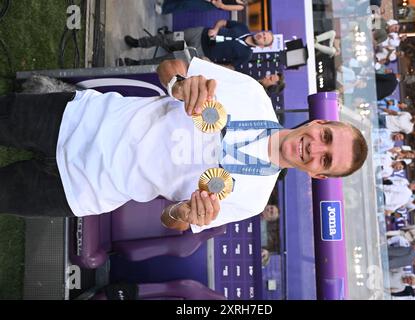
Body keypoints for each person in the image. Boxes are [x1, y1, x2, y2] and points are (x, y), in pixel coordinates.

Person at [0, 58, 368, 234]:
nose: (315, 148)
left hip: (82, 190)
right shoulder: (252, 94)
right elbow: (171, 65)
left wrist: (185, 215)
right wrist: (178, 82)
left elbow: (168, 221)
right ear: (319, 123)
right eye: (327, 137)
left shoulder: (254, 200)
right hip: (82, 119)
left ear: (318, 173)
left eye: (326, 159)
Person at [123, 19, 274, 69]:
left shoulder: (246, 55)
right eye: (264, 33)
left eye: (265, 38)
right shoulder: (243, 28)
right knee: (167, 38)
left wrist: (209, 64)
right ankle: (137, 43)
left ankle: (137, 64)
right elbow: (223, 22)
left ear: (262, 46)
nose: (262, 35)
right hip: (198, 34)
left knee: (167, 60)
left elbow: (230, 67)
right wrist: (215, 29)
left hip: (200, 54)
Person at [155, 0, 246, 15]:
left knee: (186, 4)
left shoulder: (240, 6)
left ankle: (163, 10)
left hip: (210, 4)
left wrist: (212, 1)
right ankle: (164, 2)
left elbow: (223, 6)